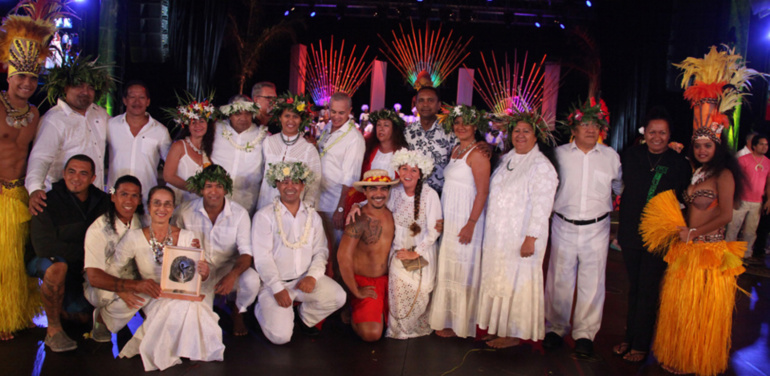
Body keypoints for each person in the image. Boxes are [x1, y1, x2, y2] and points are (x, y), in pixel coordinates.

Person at [640, 122, 746, 376]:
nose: (701, 150)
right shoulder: (698, 172)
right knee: (680, 307)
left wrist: (694, 233)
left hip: (708, 251)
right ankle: (679, 353)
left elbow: (726, 215)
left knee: (700, 309)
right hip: (687, 249)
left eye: (707, 145)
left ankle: (694, 360)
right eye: (697, 146)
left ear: (718, 148)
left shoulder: (723, 175)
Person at [109, 186, 221, 371]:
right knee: (177, 306)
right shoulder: (134, 237)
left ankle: (182, 347)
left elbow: (198, 275)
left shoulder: (187, 236)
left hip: (183, 293)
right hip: (153, 293)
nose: (162, 208)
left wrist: (204, 271)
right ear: (148, 207)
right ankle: (181, 347)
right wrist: (124, 290)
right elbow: (112, 269)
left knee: (193, 305)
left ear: (173, 208)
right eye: (157, 203)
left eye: (167, 204)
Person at [544, 100, 622, 358]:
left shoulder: (610, 157)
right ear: (574, 129)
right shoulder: (559, 155)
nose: (590, 129)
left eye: (595, 125)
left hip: (597, 227)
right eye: (585, 124)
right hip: (563, 224)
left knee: (593, 281)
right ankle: (555, 328)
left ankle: (585, 335)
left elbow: (619, 187)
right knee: (558, 278)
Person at [613, 107, 691, 362]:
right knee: (634, 288)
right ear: (644, 133)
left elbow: (685, 199)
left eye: (662, 133)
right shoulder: (630, 156)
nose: (657, 137)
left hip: (660, 235)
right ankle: (629, 338)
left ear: (670, 135)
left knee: (648, 289)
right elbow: (619, 187)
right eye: (652, 132)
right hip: (631, 232)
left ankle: (641, 345)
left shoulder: (679, 163)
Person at [475, 111, 558, 348]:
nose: (520, 135)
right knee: (499, 279)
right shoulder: (506, 159)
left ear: (536, 136)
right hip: (499, 236)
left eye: (526, 131)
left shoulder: (541, 166)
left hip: (522, 236)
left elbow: (542, 206)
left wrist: (531, 238)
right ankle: (498, 327)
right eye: (517, 131)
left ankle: (513, 333)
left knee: (517, 282)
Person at [0, 6, 55, 340]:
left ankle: (17, 312)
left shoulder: (35, 113)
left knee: (21, 260)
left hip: (23, 195)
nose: (27, 83)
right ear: (9, 75)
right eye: (21, 76)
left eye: (33, 78)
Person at [251, 162, 346, 345]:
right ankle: (262, 309)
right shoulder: (264, 216)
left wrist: (312, 276)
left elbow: (321, 251)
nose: (290, 187)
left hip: (303, 281)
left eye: (295, 182)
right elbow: (262, 258)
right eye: (285, 182)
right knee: (281, 338)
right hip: (274, 285)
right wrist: (277, 288)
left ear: (303, 186)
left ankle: (305, 317)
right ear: (277, 184)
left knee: (338, 296)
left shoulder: (312, 216)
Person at [26, 155, 110, 352]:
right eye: (71, 172)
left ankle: (99, 319)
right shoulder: (46, 201)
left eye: (83, 173)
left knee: (79, 317)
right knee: (57, 266)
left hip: (82, 267)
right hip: (48, 261)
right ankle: (53, 331)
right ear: (63, 174)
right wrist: (87, 257)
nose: (76, 178)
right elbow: (44, 248)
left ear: (93, 178)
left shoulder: (103, 201)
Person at [174, 165, 260, 336]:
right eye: (208, 186)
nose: (214, 192)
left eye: (219, 186)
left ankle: (238, 310)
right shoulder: (185, 211)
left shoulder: (239, 213)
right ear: (201, 189)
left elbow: (246, 253)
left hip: (228, 268)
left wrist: (232, 275)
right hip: (199, 271)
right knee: (201, 328)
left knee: (252, 280)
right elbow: (174, 246)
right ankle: (211, 306)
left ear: (226, 189)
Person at [428, 104, 491, 339]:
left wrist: (471, 223)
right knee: (449, 264)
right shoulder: (456, 149)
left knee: (463, 267)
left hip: (467, 217)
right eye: (457, 122)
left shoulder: (479, 153)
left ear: (476, 126)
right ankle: (448, 319)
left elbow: (483, 192)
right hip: (451, 215)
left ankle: (462, 323)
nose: (461, 127)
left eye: (467, 123)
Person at [26, 55, 113, 214]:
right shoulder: (54, 120)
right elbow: (40, 158)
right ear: (65, 87)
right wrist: (35, 188)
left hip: (94, 200)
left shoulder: (100, 114)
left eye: (90, 87)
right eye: (78, 85)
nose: (85, 91)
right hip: (62, 200)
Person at [83, 175, 160, 342]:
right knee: (110, 295)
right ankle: (102, 320)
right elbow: (94, 277)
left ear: (139, 200)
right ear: (113, 197)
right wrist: (123, 288)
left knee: (153, 290)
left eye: (134, 195)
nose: (129, 200)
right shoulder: (98, 229)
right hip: (102, 285)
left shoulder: (142, 222)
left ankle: (111, 318)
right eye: (124, 194)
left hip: (132, 277)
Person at [383, 150, 442, 339]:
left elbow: (434, 230)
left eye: (414, 170)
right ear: (398, 170)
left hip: (422, 251)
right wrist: (356, 206)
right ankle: (399, 330)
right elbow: (376, 206)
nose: (408, 174)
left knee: (423, 290)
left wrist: (416, 252)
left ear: (420, 174)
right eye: (404, 169)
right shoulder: (394, 192)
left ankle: (415, 327)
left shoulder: (430, 195)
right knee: (398, 289)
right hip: (398, 250)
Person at [337, 169, 399, 341]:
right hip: (366, 282)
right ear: (365, 192)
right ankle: (351, 306)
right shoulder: (359, 218)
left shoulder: (393, 213)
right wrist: (356, 290)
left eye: (383, 188)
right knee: (372, 334)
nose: (379, 194)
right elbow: (343, 257)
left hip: (390, 280)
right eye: (373, 189)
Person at [317, 92, 366, 262]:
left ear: (350, 111)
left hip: (334, 203)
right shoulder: (327, 127)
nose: (336, 117)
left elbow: (350, 178)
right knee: (320, 249)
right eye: (333, 111)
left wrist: (340, 208)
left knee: (336, 252)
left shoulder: (355, 138)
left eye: (341, 113)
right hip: (318, 198)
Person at [106, 81, 171, 203]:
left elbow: (171, 163)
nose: (137, 102)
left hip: (145, 197)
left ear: (148, 101)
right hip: (115, 196)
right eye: (132, 97)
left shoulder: (160, 131)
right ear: (125, 100)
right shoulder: (111, 125)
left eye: (141, 97)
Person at [257, 92, 322, 211]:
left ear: (301, 120)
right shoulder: (268, 142)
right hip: (266, 203)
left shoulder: (308, 149)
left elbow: (314, 183)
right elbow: (260, 174)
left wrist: (305, 209)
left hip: (294, 209)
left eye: (295, 117)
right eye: (287, 116)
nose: (291, 120)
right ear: (280, 118)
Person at [212, 95, 268, 215]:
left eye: (247, 113)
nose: (243, 118)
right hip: (215, 198)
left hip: (247, 202)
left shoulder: (263, 136)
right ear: (229, 114)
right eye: (238, 113)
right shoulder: (215, 130)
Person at [162, 95, 215, 206]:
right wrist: (194, 189)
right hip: (177, 201)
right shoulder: (179, 146)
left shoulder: (208, 149)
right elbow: (168, 176)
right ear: (187, 126)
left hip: (196, 203)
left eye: (201, 121)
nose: (198, 125)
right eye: (193, 122)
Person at [726, 134, 770, 261]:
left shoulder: (768, 162)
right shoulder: (743, 160)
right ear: (754, 146)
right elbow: (733, 179)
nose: (764, 147)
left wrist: (769, 199)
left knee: (750, 231)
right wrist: (734, 197)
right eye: (761, 144)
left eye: (766, 144)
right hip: (741, 200)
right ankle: (728, 254)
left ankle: (746, 255)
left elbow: (769, 183)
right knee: (733, 228)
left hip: (757, 202)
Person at [403, 87, 455, 195]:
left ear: (439, 105)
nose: (425, 104)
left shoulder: (450, 132)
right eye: (421, 100)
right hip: (412, 195)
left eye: (430, 100)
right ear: (416, 105)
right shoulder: (407, 132)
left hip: (441, 195)